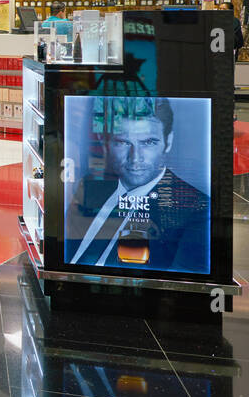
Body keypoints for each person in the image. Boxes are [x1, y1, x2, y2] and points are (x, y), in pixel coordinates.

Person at [65, 97, 209, 273]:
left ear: (168, 142)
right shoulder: (91, 187)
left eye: (148, 142)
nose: (135, 158)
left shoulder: (197, 210)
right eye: (123, 142)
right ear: (105, 142)